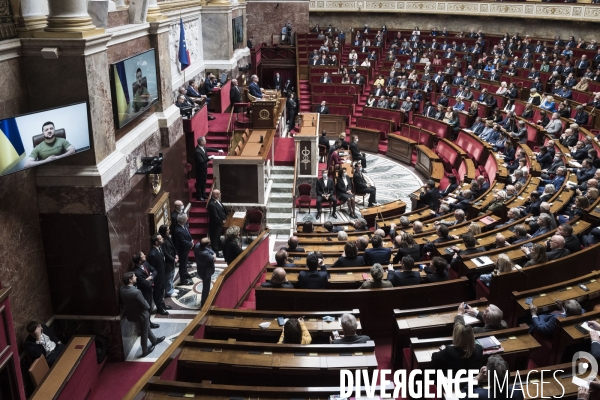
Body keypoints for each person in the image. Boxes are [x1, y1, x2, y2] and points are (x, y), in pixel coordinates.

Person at [119, 272, 165, 357]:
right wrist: (148, 306)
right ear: (130, 280)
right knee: (144, 332)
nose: (136, 277)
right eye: (134, 276)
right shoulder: (136, 292)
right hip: (142, 315)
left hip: (132, 314)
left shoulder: (122, 289)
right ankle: (145, 350)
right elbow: (145, 305)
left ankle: (154, 340)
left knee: (146, 327)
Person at [147, 233, 170, 315]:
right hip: (157, 278)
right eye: (160, 239)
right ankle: (159, 308)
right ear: (156, 242)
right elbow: (152, 268)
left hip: (162, 274)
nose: (162, 239)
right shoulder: (152, 254)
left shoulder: (160, 248)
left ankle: (162, 305)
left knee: (161, 291)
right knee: (158, 293)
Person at [194, 137, 223, 201]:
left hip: (204, 169)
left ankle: (203, 194)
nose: (205, 141)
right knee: (199, 183)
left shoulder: (203, 147)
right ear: (201, 142)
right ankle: (199, 196)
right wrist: (209, 157)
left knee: (204, 182)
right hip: (200, 170)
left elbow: (209, 149)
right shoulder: (197, 151)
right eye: (204, 141)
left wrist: (217, 150)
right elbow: (201, 161)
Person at [132, 251, 158, 321]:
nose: (145, 256)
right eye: (143, 256)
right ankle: (148, 323)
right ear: (140, 260)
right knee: (146, 308)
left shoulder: (145, 263)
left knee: (149, 306)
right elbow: (147, 284)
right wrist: (150, 278)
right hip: (144, 293)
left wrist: (150, 278)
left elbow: (155, 271)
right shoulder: (137, 272)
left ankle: (149, 323)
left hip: (150, 289)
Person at [194, 237, 216, 307]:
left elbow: (208, 250)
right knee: (206, 287)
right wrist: (214, 254)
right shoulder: (205, 254)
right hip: (206, 272)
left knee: (206, 285)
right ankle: (204, 304)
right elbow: (213, 258)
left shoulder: (197, 245)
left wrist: (213, 253)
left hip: (200, 268)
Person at [173, 213, 194, 286]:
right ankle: (183, 280)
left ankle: (186, 273)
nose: (187, 219)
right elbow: (182, 241)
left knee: (185, 262)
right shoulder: (178, 230)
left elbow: (188, 234)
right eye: (186, 218)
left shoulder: (184, 225)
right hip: (182, 250)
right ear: (182, 220)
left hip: (186, 248)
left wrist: (191, 240)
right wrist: (191, 244)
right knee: (182, 265)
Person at [158, 225, 178, 298]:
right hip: (168, 262)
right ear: (164, 231)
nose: (169, 231)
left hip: (172, 260)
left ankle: (171, 288)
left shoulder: (168, 237)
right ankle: (168, 291)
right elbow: (165, 253)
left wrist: (176, 254)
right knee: (168, 277)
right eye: (167, 230)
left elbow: (173, 246)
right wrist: (173, 259)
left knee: (172, 275)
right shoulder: (162, 241)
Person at [207, 189, 227, 255]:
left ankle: (220, 247)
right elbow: (215, 216)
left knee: (217, 237)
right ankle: (215, 252)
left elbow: (222, 209)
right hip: (215, 224)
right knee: (215, 238)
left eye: (219, 193)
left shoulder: (217, 201)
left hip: (219, 223)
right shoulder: (212, 204)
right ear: (214, 195)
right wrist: (222, 221)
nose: (219, 194)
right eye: (218, 193)